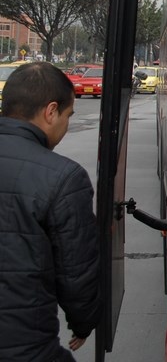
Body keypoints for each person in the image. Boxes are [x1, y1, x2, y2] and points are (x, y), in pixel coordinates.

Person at [0, 62, 101, 361]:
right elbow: (77, 273)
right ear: (51, 111)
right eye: (69, 115)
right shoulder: (63, 178)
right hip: (25, 344)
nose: (66, 125)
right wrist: (83, 322)